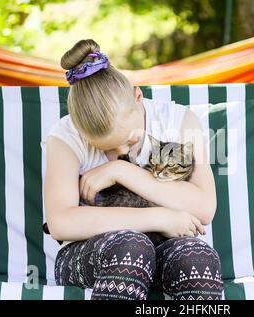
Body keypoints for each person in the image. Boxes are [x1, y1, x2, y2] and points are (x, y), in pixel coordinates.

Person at [41, 39, 223, 300]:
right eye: (109, 148)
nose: (123, 151)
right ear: (82, 132)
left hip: (166, 247)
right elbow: (61, 222)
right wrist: (159, 218)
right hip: (91, 253)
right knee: (132, 247)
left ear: (139, 97)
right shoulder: (65, 137)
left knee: (197, 258)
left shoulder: (179, 121)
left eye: (130, 140)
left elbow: (204, 208)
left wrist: (121, 171)